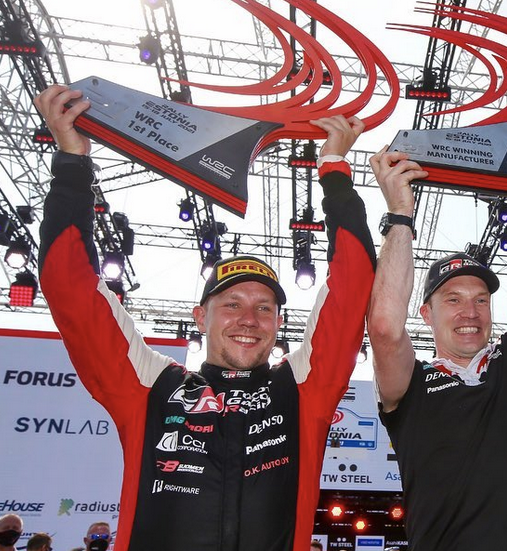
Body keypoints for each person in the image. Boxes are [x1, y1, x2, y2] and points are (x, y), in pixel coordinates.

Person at [34, 85, 376, 551]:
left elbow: (353, 284)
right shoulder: (150, 385)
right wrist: (72, 165)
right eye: (231, 304)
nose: (248, 318)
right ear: (200, 317)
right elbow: (68, 283)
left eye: (264, 307)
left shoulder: (302, 388)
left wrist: (334, 170)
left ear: (279, 323)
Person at [367, 98, 507, 550]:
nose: (471, 311)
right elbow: (383, 327)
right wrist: (400, 214)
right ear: (426, 314)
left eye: (481, 300)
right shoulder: (410, 384)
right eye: (453, 300)